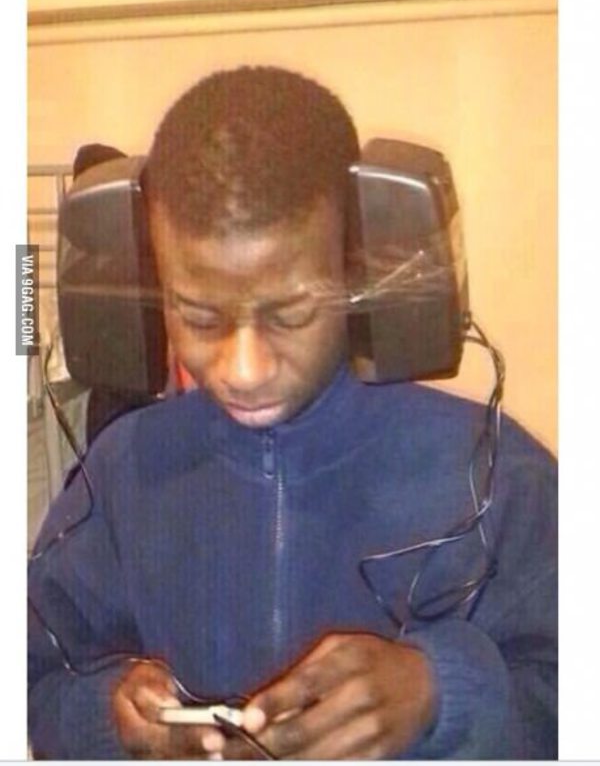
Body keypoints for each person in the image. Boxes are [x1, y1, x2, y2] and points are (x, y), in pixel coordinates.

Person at [28, 66, 557, 760]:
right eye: (200, 317)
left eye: (292, 314)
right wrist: (109, 717)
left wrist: (440, 692)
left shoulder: (497, 475)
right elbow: (33, 682)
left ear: (358, 268)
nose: (243, 369)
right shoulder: (122, 470)